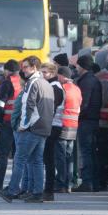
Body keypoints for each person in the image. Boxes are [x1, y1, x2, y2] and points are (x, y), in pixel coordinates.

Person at [0, 56, 54, 203]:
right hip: (44, 128)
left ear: (34, 67)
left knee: (20, 160)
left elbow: (29, 107)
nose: (23, 69)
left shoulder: (32, 83)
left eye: (26, 66)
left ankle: (12, 191)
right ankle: (37, 193)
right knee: (37, 161)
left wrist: (23, 125)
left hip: (32, 128)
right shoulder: (46, 83)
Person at [0, 60, 21, 194]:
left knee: (3, 155)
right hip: (19, 124)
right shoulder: (22, 82)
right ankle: (15, 185)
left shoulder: (6, 82)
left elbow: (0, 104)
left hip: (7, 123)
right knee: (17, 155)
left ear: (7, 70)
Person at [73, 55, 101, 192]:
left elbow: (83, 103)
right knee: (91, 151)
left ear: (82, 66)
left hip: (86, 121)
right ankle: (93, 182)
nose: (76, 68)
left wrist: (77, 115)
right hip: (92, 120)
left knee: (86, 152)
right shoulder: (92, 80)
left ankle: (87, 182)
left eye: (78, 65)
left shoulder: (86, 81)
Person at [53, 66, 80, 194]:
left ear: (62, 76)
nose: (57, 78)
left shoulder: (62, 89)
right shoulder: (77, 89)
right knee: (69, 157)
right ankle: (69, 184)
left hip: (62, 126)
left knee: (60, 157)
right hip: (73, 126)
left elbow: (56, 106)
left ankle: (61, 183)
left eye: (58, 76)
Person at [40, 62, 64, 201]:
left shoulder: (55, 88)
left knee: (48, 159)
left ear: (53, 73)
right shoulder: (51, 86)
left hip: (52, 126)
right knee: (47, 158)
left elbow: (50, 108)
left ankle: (48, 190)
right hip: (51, 125)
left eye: (45, 73)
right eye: (41, 72)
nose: (42, 75)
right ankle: (47, 189)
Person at [93, 63, 108, 191]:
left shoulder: (105, 81)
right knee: (101, 151)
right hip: (104, 120)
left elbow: (102, 100)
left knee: (101, 152)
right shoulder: (105, 79)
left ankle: (103, 181)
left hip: (105, 121)